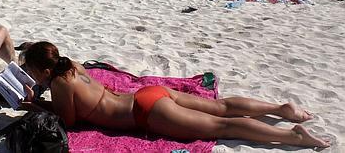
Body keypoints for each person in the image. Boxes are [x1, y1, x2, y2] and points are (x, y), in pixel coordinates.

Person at [21, 42, 329, 149]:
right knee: (220, 108)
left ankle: (294, 138)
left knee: (223, 128)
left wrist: (35, 104)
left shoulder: (60, 85)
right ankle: (282, 108)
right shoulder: (71, 65)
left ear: (42, 70)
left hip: (146, 113)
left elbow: (69, 122)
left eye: (33, 72)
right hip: (148, 94)